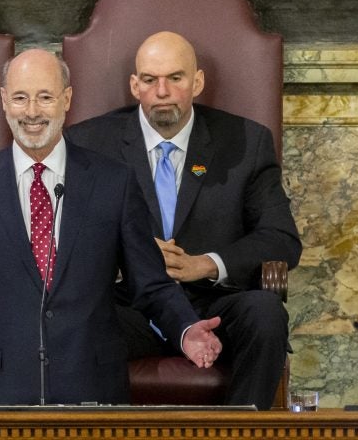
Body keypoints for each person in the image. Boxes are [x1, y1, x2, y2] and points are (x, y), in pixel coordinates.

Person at [0, 48, 222, 405]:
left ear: (66, 99)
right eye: (20, 98)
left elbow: (150, 284)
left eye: (44, 97)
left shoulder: (113, 183)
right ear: (3, 101)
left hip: (92, 387)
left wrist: (186, 328)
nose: (31, 112)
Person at [64, 31, 302, 410]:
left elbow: (281, 239)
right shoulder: (89, 143)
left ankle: (240, 437)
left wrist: (205, 265)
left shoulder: (246, 141)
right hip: (131, 308)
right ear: (134, 86)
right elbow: (65, 238)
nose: (162, 91)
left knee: (266, 314)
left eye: (175, 78)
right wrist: (130, 255)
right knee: (75, 319)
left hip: (214, 304)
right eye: (149, 79)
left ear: (198, 82)